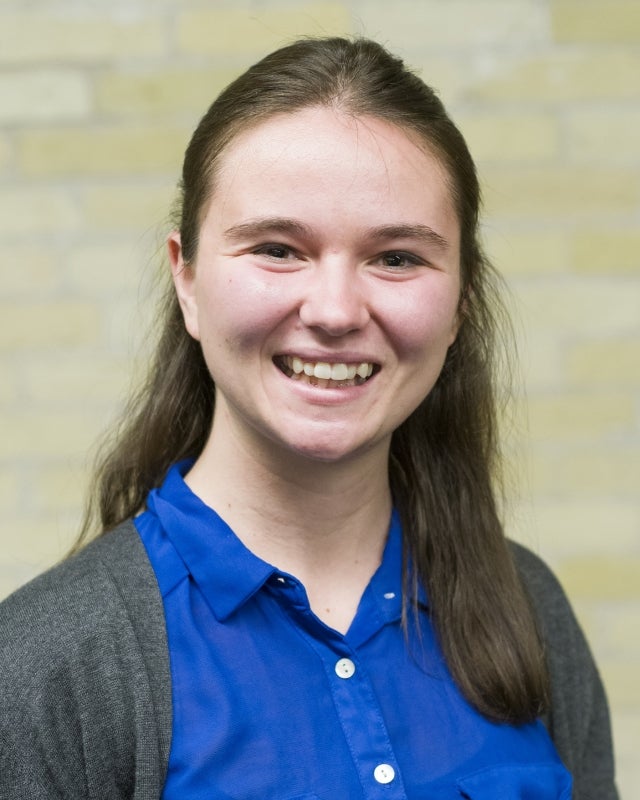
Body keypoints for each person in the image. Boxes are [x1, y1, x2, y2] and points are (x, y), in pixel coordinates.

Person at [0, 37, 618, 800]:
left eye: (396, 258)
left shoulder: (528, 608)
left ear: (461, 299)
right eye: (277, 248)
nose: (334, 312)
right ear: (186, 278)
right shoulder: (47, 667)